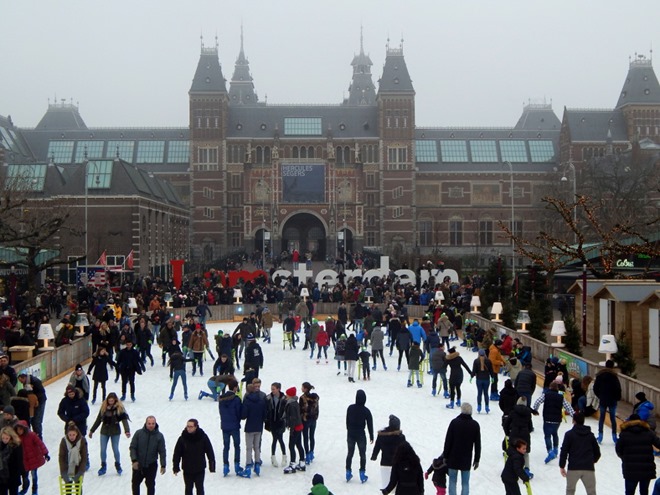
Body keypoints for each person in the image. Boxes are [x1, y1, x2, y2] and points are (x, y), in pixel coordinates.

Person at [615, 413, 660, 495]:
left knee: (629, 492)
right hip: (646, 468)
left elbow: (618, 450)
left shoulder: (624, 434)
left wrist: (625, 458)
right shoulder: (649, 432)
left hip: (630, 469)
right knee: (644, 492)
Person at [442, 402, 481, 495]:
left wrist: (445, 456)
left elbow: (448, 441)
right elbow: (478, 444)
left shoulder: (454, 423)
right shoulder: (475, 425)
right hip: (466, 459)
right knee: (465, 483)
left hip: (453, 457)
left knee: (452, 481)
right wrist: (477, 459)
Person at [88, 392, 130, 476]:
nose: (110, 402)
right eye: (109, 401)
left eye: (112, 401)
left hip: (115, 431)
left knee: (115, 449)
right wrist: (92, 430)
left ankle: (118, 465)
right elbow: (98, 420)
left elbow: (124, 420)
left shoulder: (119, 408)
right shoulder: (104, 408)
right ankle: (103, 466)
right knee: (103, 449)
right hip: (104, 431)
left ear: (115, 400)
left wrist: (127, 430)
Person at [532, 381, 575, 463]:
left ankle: (550, 452)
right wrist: (574, 416)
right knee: (555, 434)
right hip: (557, 420)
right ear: (557, 388)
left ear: (550, 387)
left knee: (547, 436)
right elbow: (568, 406)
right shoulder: (560, 396)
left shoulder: (546, 394)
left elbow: (538, 401)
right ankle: (556, 450)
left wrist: (535, 410)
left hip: (547, 419)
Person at [558, 412, 601, 495]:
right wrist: (592, 461)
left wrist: (562, 466)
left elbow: (564, 451)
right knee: (591, 492)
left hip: (573, 467)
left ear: (573, 421)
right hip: (588, 467)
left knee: (570, 491)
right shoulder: (590, 435)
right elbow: (597, 452)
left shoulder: (569, 435)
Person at [172, 418, 215, 495]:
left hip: (199, 468)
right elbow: (177, 453)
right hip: (187, 469)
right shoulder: (182, 438)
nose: (188, 428)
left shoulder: (202, 437)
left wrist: (212, 466)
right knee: (188, 488)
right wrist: (175, 467)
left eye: (191, 426)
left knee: (200, 488)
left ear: (196, 427)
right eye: (187, 426)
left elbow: (209, 451)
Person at [130, 415, 166, 495]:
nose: (151, 425)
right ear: (145, 423)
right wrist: (134, 460)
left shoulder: (159, 436)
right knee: (135, 484)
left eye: (153, 423)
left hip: (151, 465)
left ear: (155, 424)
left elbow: (162, 451)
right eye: (149, 423)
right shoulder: (138, 433)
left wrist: (163, 465)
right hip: (138, 464)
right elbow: (133, 447)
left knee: (150, 485)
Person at [345, 389, 374, 483]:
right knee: (362, 454)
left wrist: (349, 429)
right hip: (361, 435)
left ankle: (348, 472)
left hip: (351, 434)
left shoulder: (350, 408)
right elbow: (370, 424)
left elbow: (347, 420)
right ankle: (362, 473)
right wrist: (371, 436)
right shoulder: (366, 411)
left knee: (350, 453)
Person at [371, 415, 406, 490]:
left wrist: (374, 456)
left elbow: (377, 446)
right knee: (397, 487)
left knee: (386, 486)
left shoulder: (381, 436)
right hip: (397, 464)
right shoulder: (401, 437)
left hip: (384, 463)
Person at [240, 380, 267, 478]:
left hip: (250, 427)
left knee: (249, 448)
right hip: (258, 427)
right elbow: (265, 414)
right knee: (257, 447)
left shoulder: (247, 401)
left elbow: (244, 415)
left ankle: (248, 467)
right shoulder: (261, 400)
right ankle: (257, 465)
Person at [503, 397, 534, 479]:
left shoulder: (513, 412)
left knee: (513, 451)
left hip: (514, 434)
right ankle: (526, 469)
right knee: (525, 452)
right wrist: (527, 431)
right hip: (525, 434)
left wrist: (507, 433)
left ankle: (512, 468)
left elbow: (506, 424)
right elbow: (530, 427)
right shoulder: (528, 413)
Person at [14, 420, 48, 495]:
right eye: (18, 429)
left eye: (21, 429)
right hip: (24, 461)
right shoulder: (16, 438)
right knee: (25, 476)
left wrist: (45, 453)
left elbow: (40, 443)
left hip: (33, 460)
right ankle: (25, 489)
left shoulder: (32, 435)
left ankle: (34, 490)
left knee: (34, 475)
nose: (19, 431)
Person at [218, 378, 243, 477]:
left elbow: (220, 412)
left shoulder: (221, 399)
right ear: (235, 388)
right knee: (237, 446)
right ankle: (237, 465)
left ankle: (225, 466)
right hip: (234, 426)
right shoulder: (236, 399)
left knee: (226, 447)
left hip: (225, 425)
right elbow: (239, 413)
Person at [593, 359, 622, 444]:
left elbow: (595, 388)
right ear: (612, 367)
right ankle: (614, 436)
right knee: (613, 418)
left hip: (603, 399)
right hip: (612, 400)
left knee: (602, 418)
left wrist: (600, 396)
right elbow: (618, 388)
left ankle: (600, 435)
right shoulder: (614, 376)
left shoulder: (600, 375)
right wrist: (617, 398)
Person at [16, 373, 46, 439]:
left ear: (24, 378)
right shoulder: (26, 383)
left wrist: (33, 397)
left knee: (37, 421)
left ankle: (39, 437)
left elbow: (42, 392)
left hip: (40, 402)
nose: (21, 382)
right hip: (32, 404)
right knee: (33, 420)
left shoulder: (35, 381)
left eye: (21, 380)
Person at [283, 386, 305, 474]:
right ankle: (302, 463)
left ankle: (292, 465)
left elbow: (293, 418)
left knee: (291, 445)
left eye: (287, 394)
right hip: (299, 426)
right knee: (299, 444)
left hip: (295, 427)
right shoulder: (295, 403)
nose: (286, 396)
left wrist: (291, 429)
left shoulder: (291, 404)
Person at [265, 382, 287, 467]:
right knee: (274, 439)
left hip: (280, 422)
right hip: (272, 422)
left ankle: (284, 456)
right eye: (272, 389)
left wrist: (285, 421)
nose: (272, 391)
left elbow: (286, 411)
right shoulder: (268, 398)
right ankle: (273, 457)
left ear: (278, 389)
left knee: (280, 439)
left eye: (274, 389)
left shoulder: (284, 398)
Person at [299, 382, 319, 465]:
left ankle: (307, 454)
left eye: (302, 387)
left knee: (305, 437)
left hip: (305, 420)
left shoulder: (302, 398)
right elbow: (317, 408)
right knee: (312, 436)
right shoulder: (315, 397)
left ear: (305, 389)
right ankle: (311, 452)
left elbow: (301, 410)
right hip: (313, 419)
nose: (301, 388)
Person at [0, 426, 24, 495]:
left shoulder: (16, 446)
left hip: (13, 476)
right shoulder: (1, 446)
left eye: (6, 438)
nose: (4, 440)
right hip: (2, 477)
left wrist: (20, 472)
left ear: (11, 437)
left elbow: (19, 462)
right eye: (3, 438)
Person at [471, 349, 493, 414]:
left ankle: (479, 406)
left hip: (479, 379)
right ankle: (487, 406)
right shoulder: (488, 361)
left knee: (479, 393)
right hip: (486, 379)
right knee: (486, 393)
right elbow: (491, 370)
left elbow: (474, 371)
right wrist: (492, 377)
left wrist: (471, 376)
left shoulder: (476, 361)